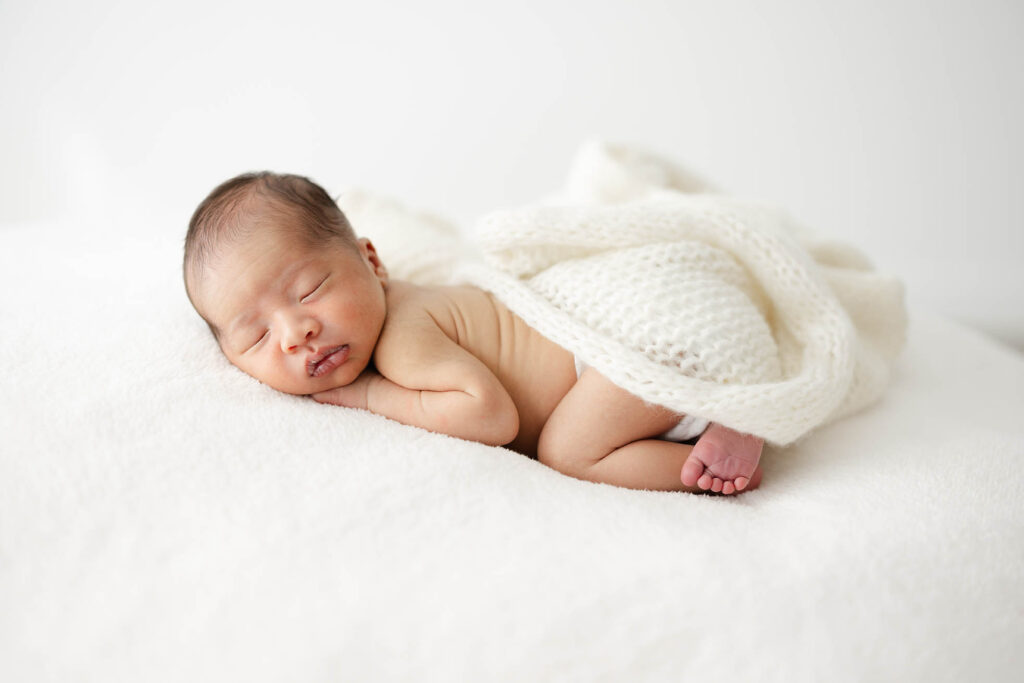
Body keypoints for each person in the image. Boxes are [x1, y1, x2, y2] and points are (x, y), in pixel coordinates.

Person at [183, 172, 765, 494]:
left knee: (568, 452)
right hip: (624, 365)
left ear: (373, 263)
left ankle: (719, 461)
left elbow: (489, 416)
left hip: (631, 354)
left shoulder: (402, 334)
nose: (294, 333)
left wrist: (369, 395)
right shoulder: (399, 315)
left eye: (309, 290)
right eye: (256, 338)